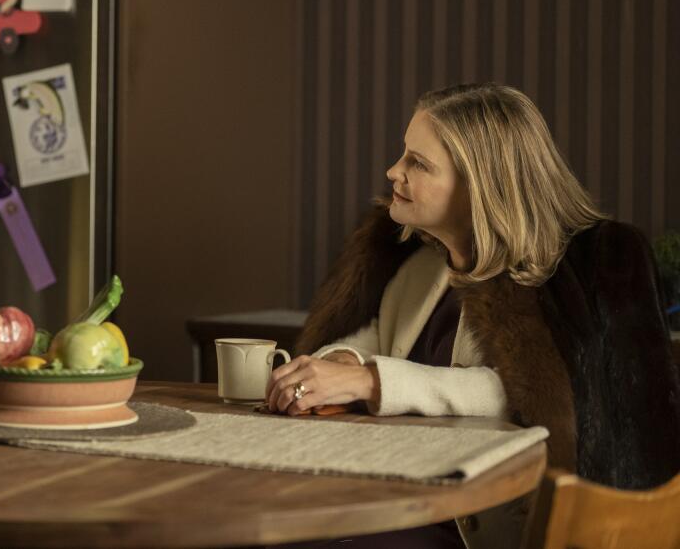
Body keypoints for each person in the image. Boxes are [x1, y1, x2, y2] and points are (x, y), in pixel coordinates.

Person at [267, 83, 680, 549]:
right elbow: (362, 336)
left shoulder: (574, 277)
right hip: (391, 492)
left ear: (480, 186)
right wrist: (343, 360)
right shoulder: (414, 262)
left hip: (479, 521)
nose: (392, 171)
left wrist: (370, 380)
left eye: (417, 163)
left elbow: (537, 392)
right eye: (404, 154)